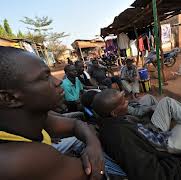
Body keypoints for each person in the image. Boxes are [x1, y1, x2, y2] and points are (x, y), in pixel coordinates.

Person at [0, 46, 104, 179]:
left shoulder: (29, 117)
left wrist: (93, 145)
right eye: (44, 78)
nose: (58, 82)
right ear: (9, 98)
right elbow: (92, 173)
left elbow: (76, 125)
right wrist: (95, 148)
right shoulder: (19, 160)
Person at [92, 89, 181, 179]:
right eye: (123, 102)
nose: (127, 102)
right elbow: (150, 173)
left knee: (169, 105)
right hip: (167, 145)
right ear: (114, 113)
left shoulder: (112, 123)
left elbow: (139, 132)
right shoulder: (120, 137)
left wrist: (145, 116)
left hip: (152, 133)